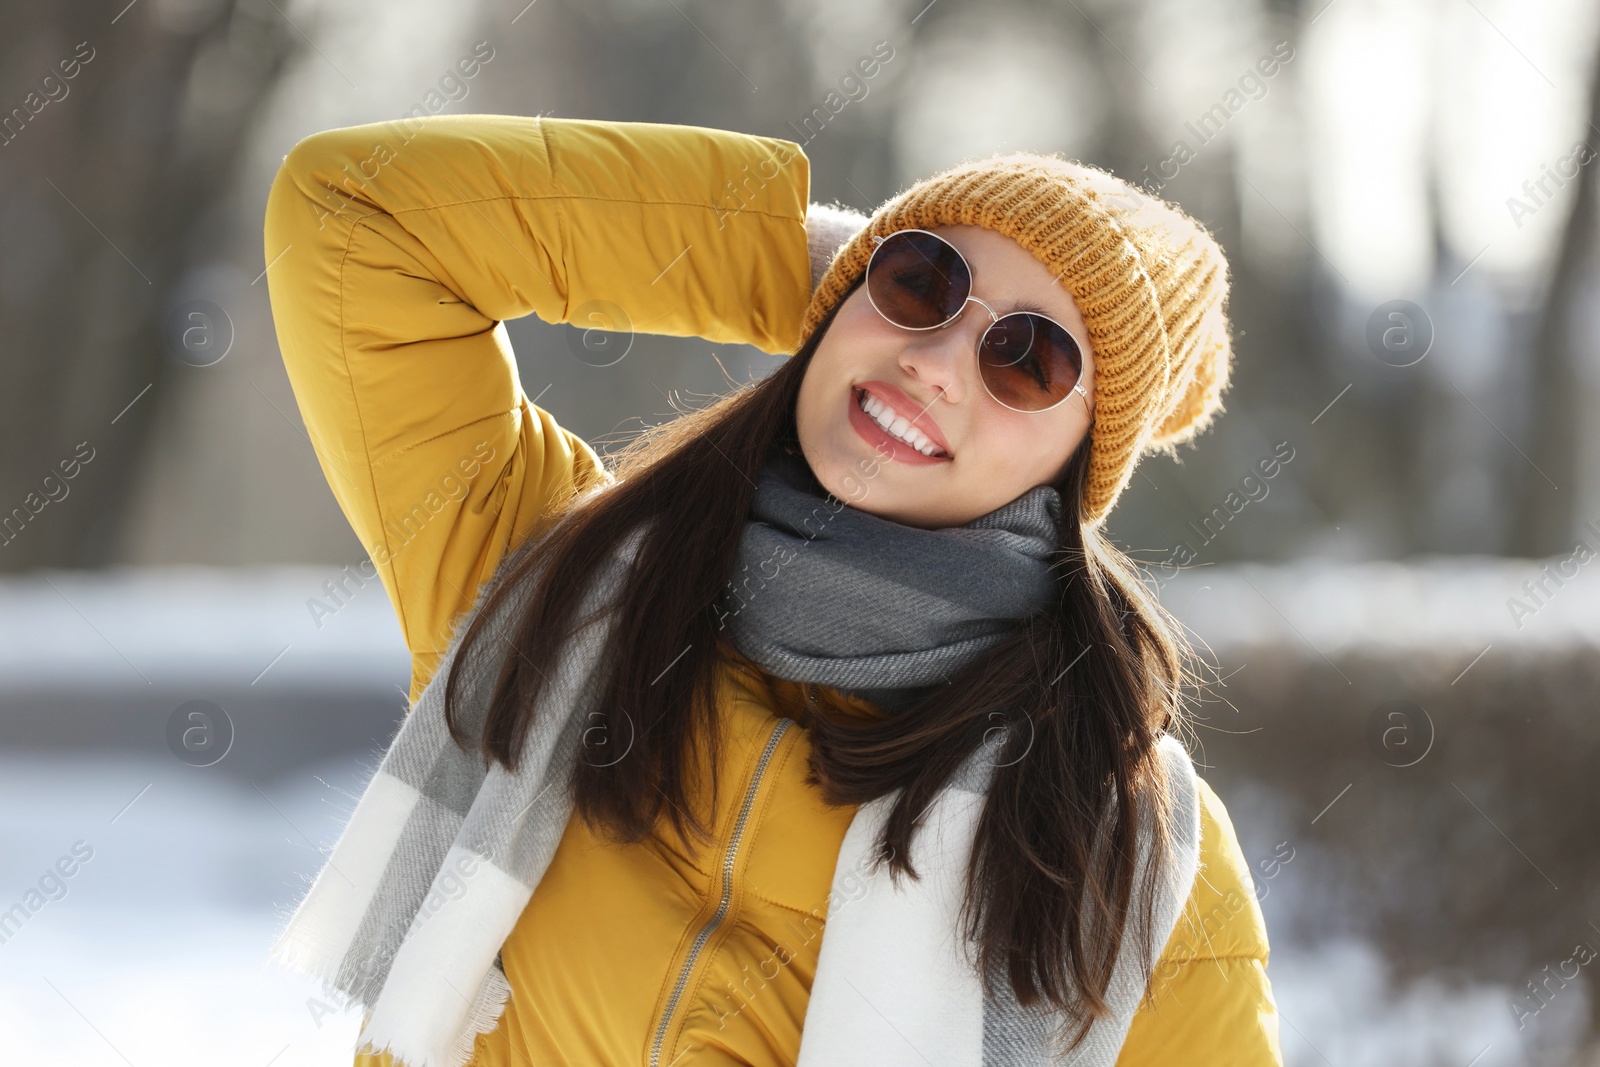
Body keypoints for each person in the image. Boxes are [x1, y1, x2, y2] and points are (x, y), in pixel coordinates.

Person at [262, 112, 1281, 1067]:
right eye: (922, 282)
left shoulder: (1123, 845)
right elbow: (353, 215)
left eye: (1026, 358)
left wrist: (880, 297)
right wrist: (810, 269)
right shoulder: (543, 571)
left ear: (1077, 460)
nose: (934, 362)